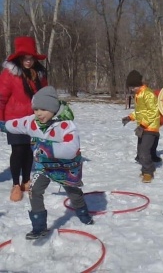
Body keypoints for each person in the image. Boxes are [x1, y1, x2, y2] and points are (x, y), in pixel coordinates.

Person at [0, 86, 94, 240]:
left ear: (53, 108)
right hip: (44, 167)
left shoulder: (66, 125)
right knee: (34, 191)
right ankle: (39, 227)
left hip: (67, 167)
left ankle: (83, 214)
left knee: (74, 193)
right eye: (35, 109)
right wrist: (3, 126)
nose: (38, 113)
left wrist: (47, 149)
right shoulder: (32, 122)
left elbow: (72, 148)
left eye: (43, 109)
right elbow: (15, 125)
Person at [0, 36, 48, 202]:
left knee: (29, 150)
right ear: (19, 58)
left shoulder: (39, 74)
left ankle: (26, 180)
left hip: (33, 119)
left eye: (31, 58)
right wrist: (1, 120)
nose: (28, 61)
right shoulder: (9, 74)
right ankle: (15, 184)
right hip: (13, 120)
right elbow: (1, 97)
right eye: (25, 58)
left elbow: (45, 96)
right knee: (18, 150)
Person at [122, 70, 161, 183]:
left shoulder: (147, 94)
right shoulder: (139, 94)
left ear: (137, 85)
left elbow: (153, 112)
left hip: (150, 127)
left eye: (132, 87)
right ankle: (146, 167)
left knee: (144, 151)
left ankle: (148, 171)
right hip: (143, 127)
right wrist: (130, 117)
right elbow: (140, 112)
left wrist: (143, 125)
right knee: (140, 152)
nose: (131, 90)